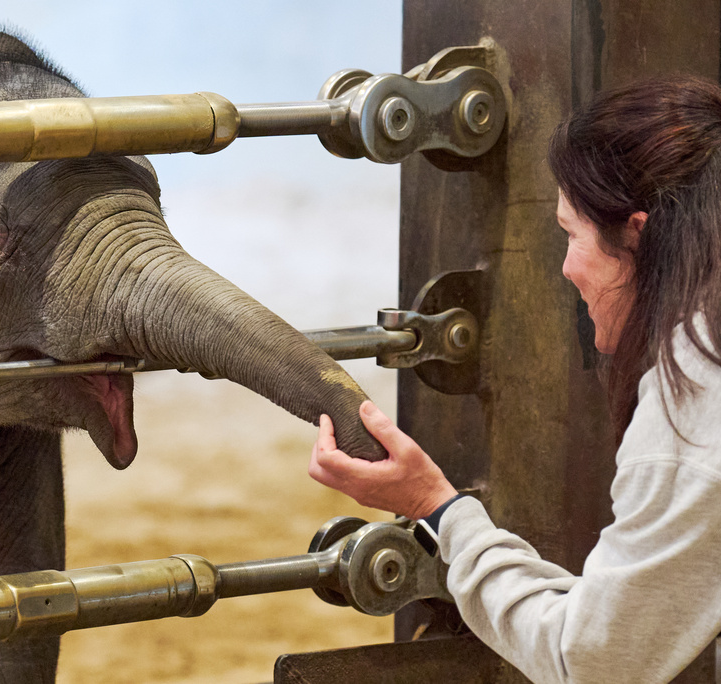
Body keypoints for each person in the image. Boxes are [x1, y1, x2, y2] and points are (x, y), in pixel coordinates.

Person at [309, 76, 721, 684]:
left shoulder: (696, 383)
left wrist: (438, 510)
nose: (565, 267)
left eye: (571, 235)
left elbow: (591, 660)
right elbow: (624, 617)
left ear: (636, 233)